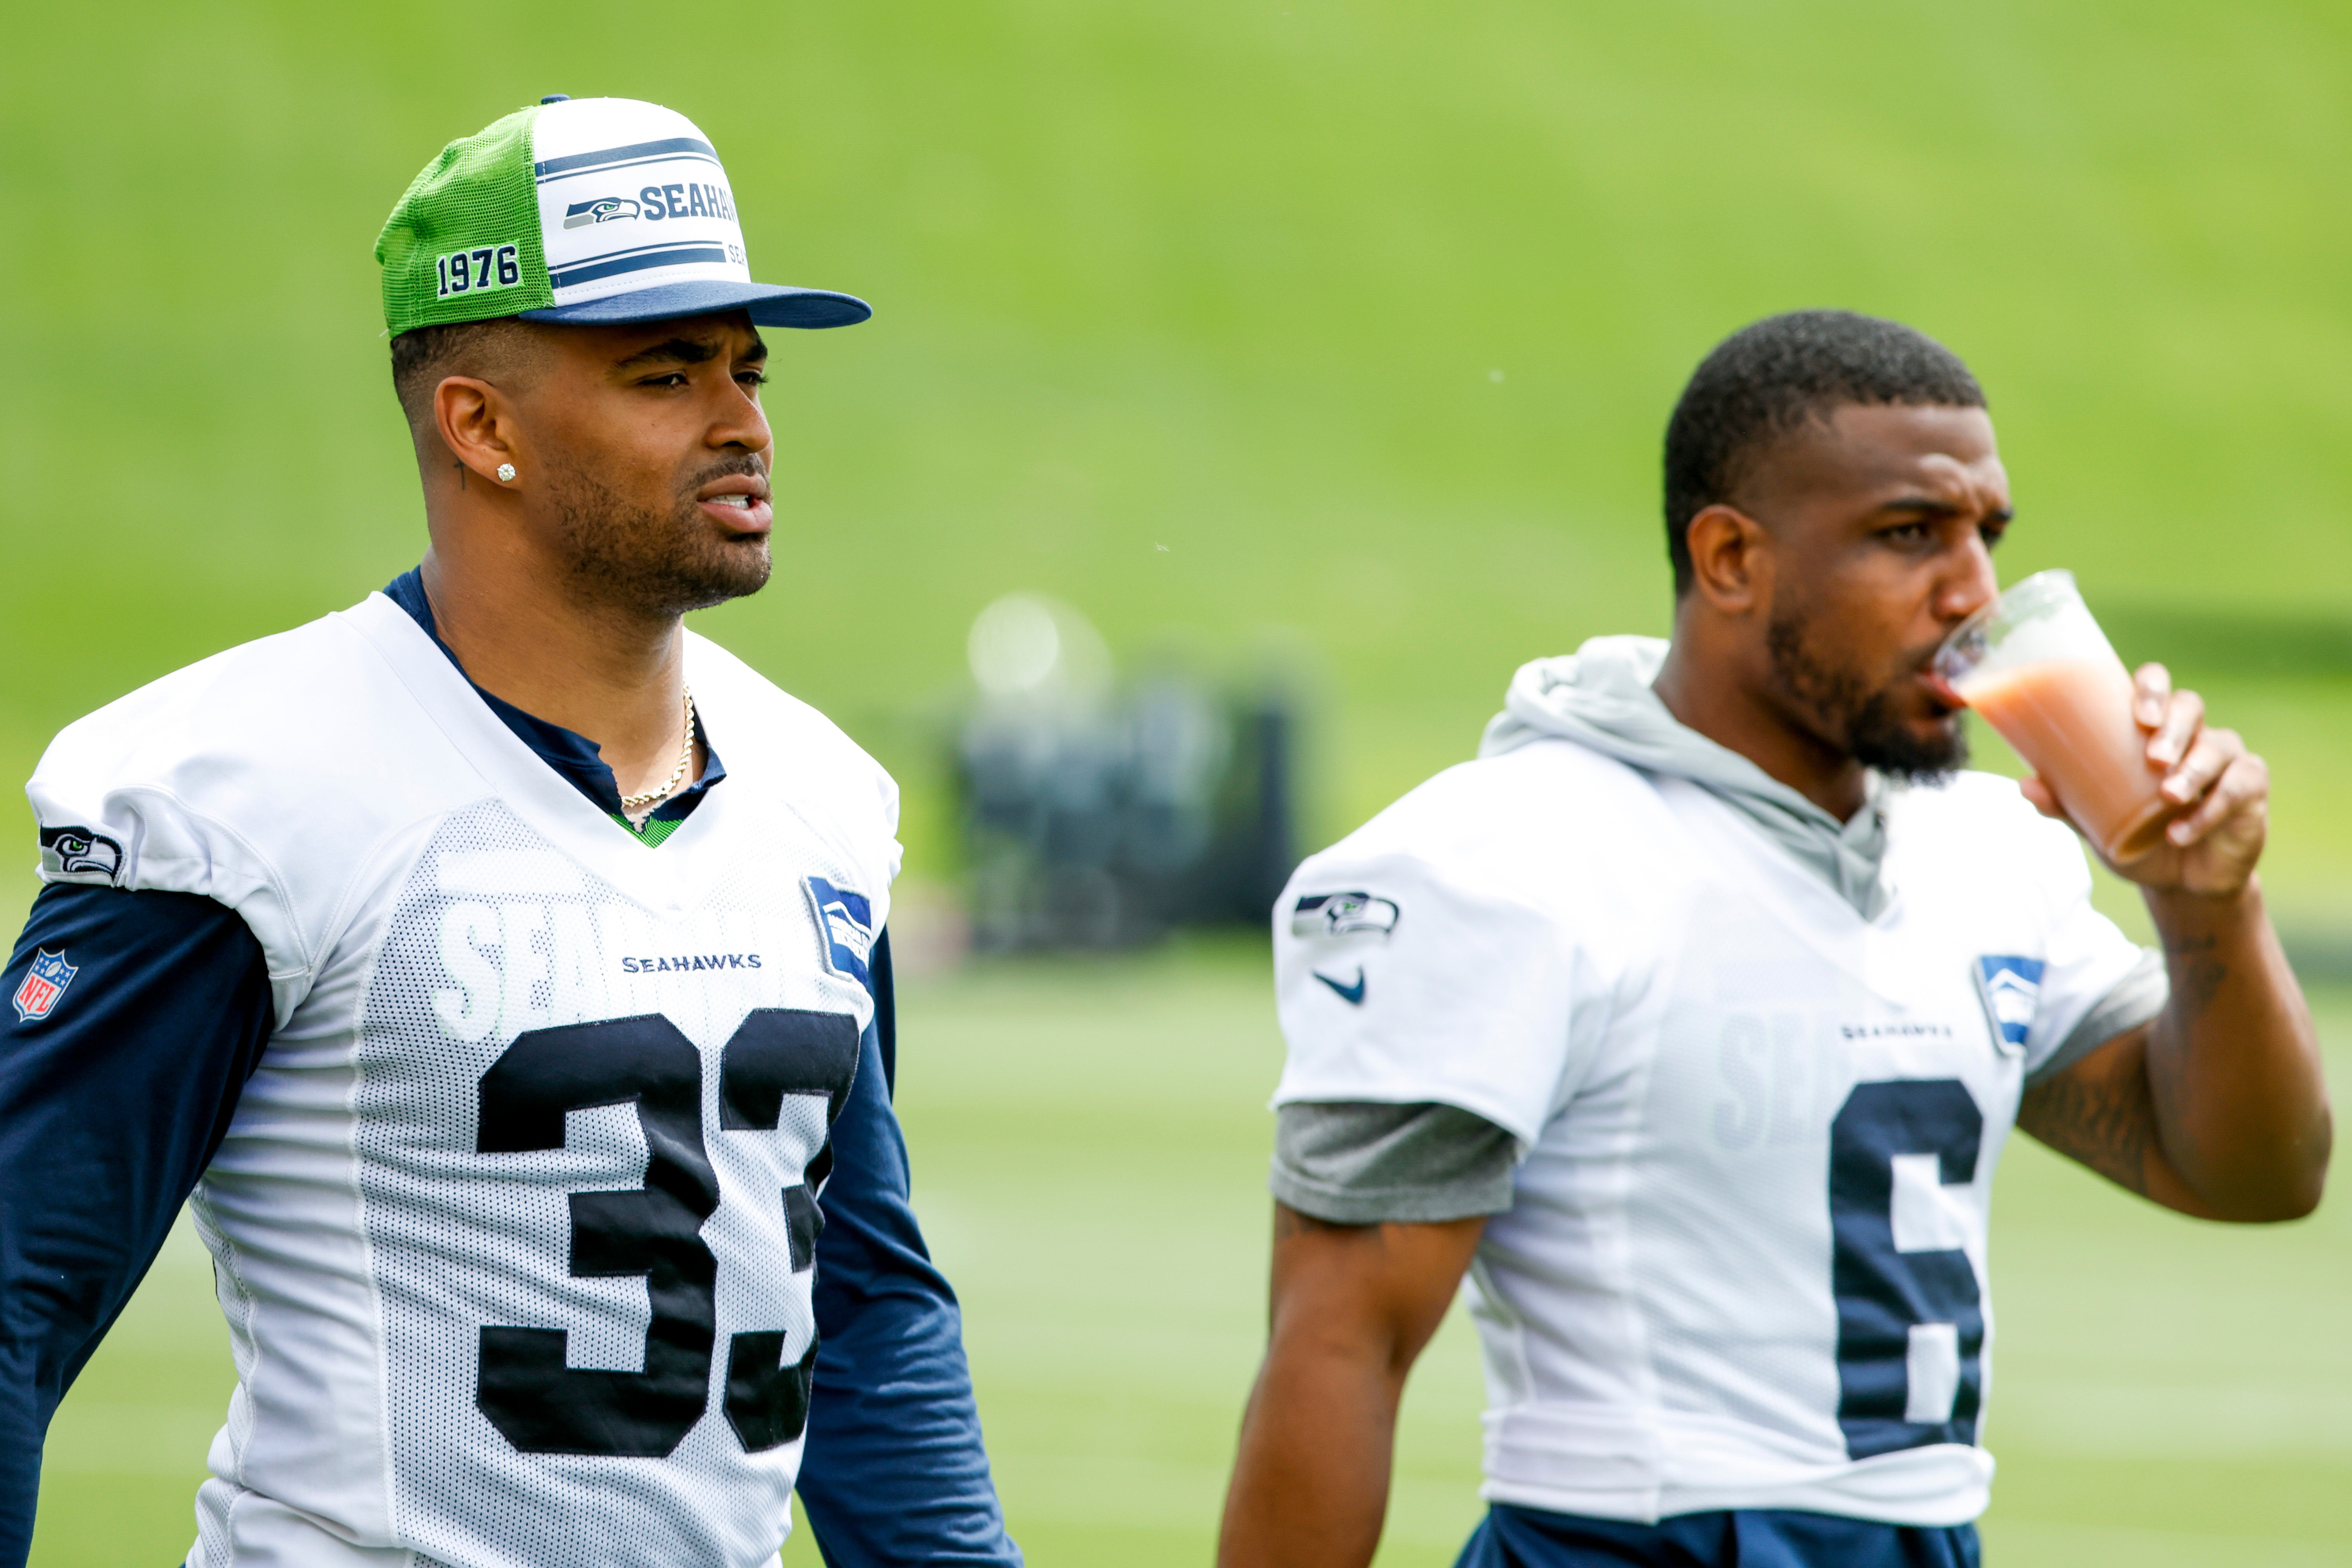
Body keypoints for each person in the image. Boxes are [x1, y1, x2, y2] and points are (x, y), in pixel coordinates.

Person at [0, 96, 1022, 1568]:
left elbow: (856, 1303)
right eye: (665, 373)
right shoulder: (246, 788)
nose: (742, 422)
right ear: (479, 424)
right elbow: (18, 1292)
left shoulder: (822, 795)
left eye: (747, 365)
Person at [1217, 310, 2331, 1568]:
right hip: (1636, 1544)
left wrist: (2203, 899)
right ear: (1734, 558)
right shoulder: (1505, 860)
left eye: (1987, 537)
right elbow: (1337, 1347)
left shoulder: (1985, 847)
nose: (1974, 593)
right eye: (1911, 534)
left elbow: (2251, 1174)